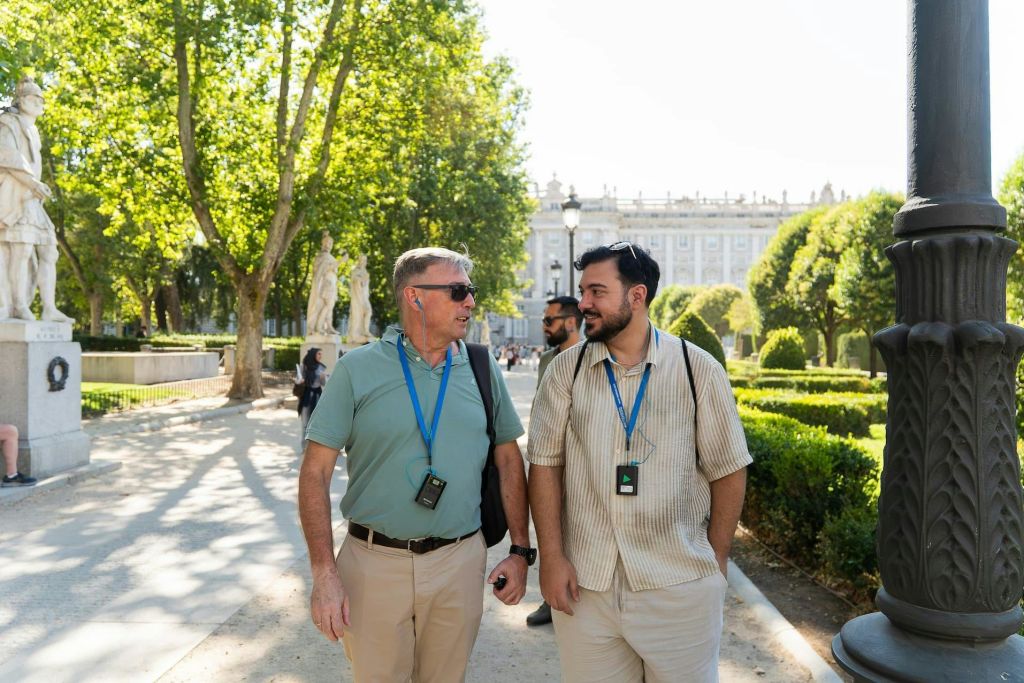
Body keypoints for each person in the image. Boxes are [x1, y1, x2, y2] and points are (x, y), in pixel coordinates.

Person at [298, 246, 533, 682]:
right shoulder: (356, 369)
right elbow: (314, 473)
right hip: (373, 564)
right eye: (459, 290)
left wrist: (520, 550)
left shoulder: (482, 367)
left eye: (471, 291)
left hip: (459, 562)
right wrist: (324, 573)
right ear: (415, 296)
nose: (470, 302)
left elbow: (508, 459)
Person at [528, 242, 750, 682]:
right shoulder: (564, 371)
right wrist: (551, 557)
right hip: (586, 589)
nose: (583, 304)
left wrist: (714, 563)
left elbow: (729, 468)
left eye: (596, 291)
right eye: (582, 291)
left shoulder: (697, 368)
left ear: (637, 296)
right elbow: (544, 466)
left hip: (678, 584)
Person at [525, 295, 583, 627]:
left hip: (578, 458)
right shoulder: (548, 359)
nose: (544, 327)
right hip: (547, 458)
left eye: (549, 321)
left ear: (571, 322)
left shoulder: (589, 357)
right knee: (547, 523)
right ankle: (550, 599)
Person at [0, 77, 71, 322]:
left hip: (32, 198)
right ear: (20, 101)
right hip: (16, 197)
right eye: (34, 98)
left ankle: (49, 308)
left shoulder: (32, 129)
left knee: (50, 250)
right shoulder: (8, 123)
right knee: (21, 250)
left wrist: (36, 188)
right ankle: (18, 305)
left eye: (41, 99)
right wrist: (33, 183)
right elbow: (6, 157)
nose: (40, 103)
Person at [307, 232, 340, 336]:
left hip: (332, 285)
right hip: (325, 285)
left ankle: (328, 326)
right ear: (323, 243)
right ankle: (318, 326)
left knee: (330, 306)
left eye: (331, 243)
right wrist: (340, 261)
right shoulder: (320, 257)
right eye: (327, 242)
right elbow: (323, 269)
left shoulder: (331, 257)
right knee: (325, 305)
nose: (329, 245)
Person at [297, 347, 328, 452]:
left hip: (318, 397)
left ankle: (315, 447)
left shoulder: (321, 367)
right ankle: (304, 447)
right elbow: (297, 380)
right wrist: (299, 381)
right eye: (319, 354)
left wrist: (323, 378)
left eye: (321, 354)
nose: (320, 356)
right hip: (306, 397)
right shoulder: (304, 367)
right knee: (305, 423)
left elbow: (324, 384)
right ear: (313, 355)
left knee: (316, 423)